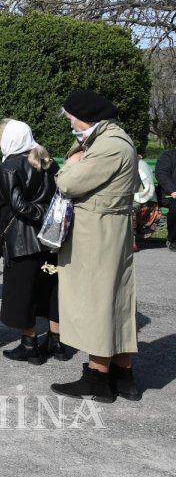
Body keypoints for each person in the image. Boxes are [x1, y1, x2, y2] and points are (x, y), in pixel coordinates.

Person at [50, 90, 141, 402]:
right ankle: (122, 375)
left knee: (98, 304)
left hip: (98, 233)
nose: (71, 125)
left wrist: (70, 163)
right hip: (106, 229)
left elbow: (68, 183)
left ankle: (97, 378)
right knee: (115, 301)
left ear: (85, 116)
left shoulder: (109, 145)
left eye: (72, 119)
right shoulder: (115, 140)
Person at [0, 119, 64, 364]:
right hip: (51, 238)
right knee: (51, 289)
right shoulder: (49, 163)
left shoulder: (9, 167)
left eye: (1, 135)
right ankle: (56, 342)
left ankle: (29, 344)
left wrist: (40, 214)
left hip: (22, 240)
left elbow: (18, 205)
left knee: (24, 292)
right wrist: (49, 216)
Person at [155, 146, 176, 252]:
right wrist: (173, 191)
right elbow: (161, 174)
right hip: (170, 195)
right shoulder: (168, 156)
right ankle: (173, 239)